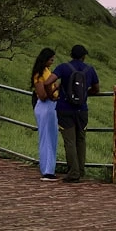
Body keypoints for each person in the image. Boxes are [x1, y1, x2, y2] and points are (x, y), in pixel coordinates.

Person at [49, 44, 100, 183]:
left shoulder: (63, 67)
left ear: (71, 55)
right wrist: (84, 94)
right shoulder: (90, 69)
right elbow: (96, 89)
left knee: (69, 141)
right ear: (84, 56)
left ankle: (73, 172)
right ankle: (81, 170)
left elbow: (49, 81)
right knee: (81, 140)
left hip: (65, 108)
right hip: (82, 110)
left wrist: (52, 92)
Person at [30, 47, 60, 181]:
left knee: (51, 138)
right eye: (50, 59)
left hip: (51, 106)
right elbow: (42, 95)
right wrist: (53, 94)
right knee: (47, 138)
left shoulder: (47, 71)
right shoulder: (39, 74)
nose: (52, 61)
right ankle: (47, 170)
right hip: (45, 106)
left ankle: (49, 168)